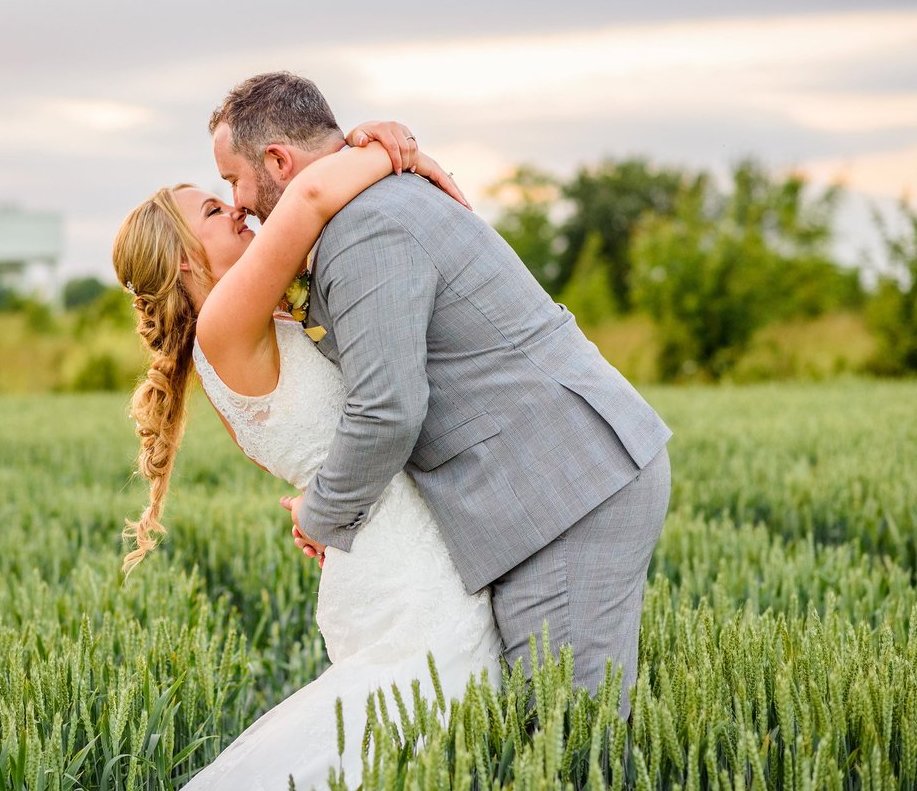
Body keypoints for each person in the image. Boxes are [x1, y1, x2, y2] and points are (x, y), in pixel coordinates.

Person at [210, 73, 673, 724]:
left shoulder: (362, 228)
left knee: (572, 742)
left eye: (233, 180)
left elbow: (388, 408)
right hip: (541, 490)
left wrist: (319, 515)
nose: (236, 204)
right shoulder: (364, 210)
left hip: (567, 490)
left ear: (279, 161)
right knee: (544, 734)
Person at [112, 122, 502, 790]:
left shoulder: (250, 327)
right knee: (421, 725)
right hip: (403, 565)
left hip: (383, 547)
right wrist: (394, 150)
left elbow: (312, 448)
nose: (235, 207)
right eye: (213, 208)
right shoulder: (225, 323)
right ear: (182, 258)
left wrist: (313, 506)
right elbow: (314, 197)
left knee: (413, 739)